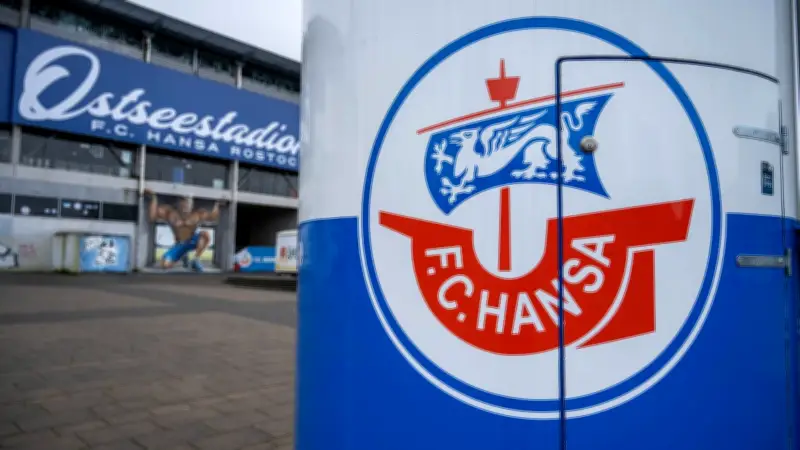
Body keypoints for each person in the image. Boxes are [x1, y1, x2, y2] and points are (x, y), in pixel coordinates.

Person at [143, 189, 225, 272]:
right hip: (180, 244)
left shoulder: (197, 214)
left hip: (192, 241)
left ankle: (195, 259)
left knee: (205, 235)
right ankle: (182, 257)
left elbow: (213, 218)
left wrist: (217, 205)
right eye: (183, 203)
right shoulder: (171, 213)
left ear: (191, 204)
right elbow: (152, 217)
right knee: (165, 264)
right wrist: (154, 198)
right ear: (178, 204)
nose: (185, 206)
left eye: (187, 203)